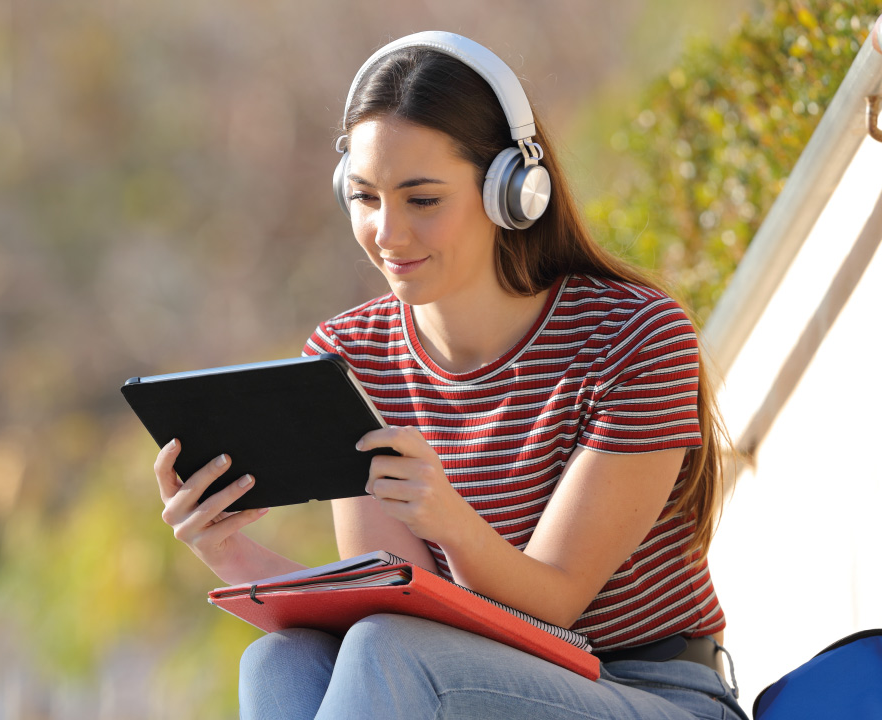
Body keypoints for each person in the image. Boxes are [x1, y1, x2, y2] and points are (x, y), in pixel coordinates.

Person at [153, 31, 746, 720]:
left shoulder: (633, 338)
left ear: (512, 192)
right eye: (366, 198)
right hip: (457, 677)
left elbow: (553, 606)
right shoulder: (353, 355)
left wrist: (448, 519)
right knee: (282, 659)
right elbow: (395, 598)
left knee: (386, 651)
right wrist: (231, 554)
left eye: (422, 200)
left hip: (653, 694)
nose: (388, 233)